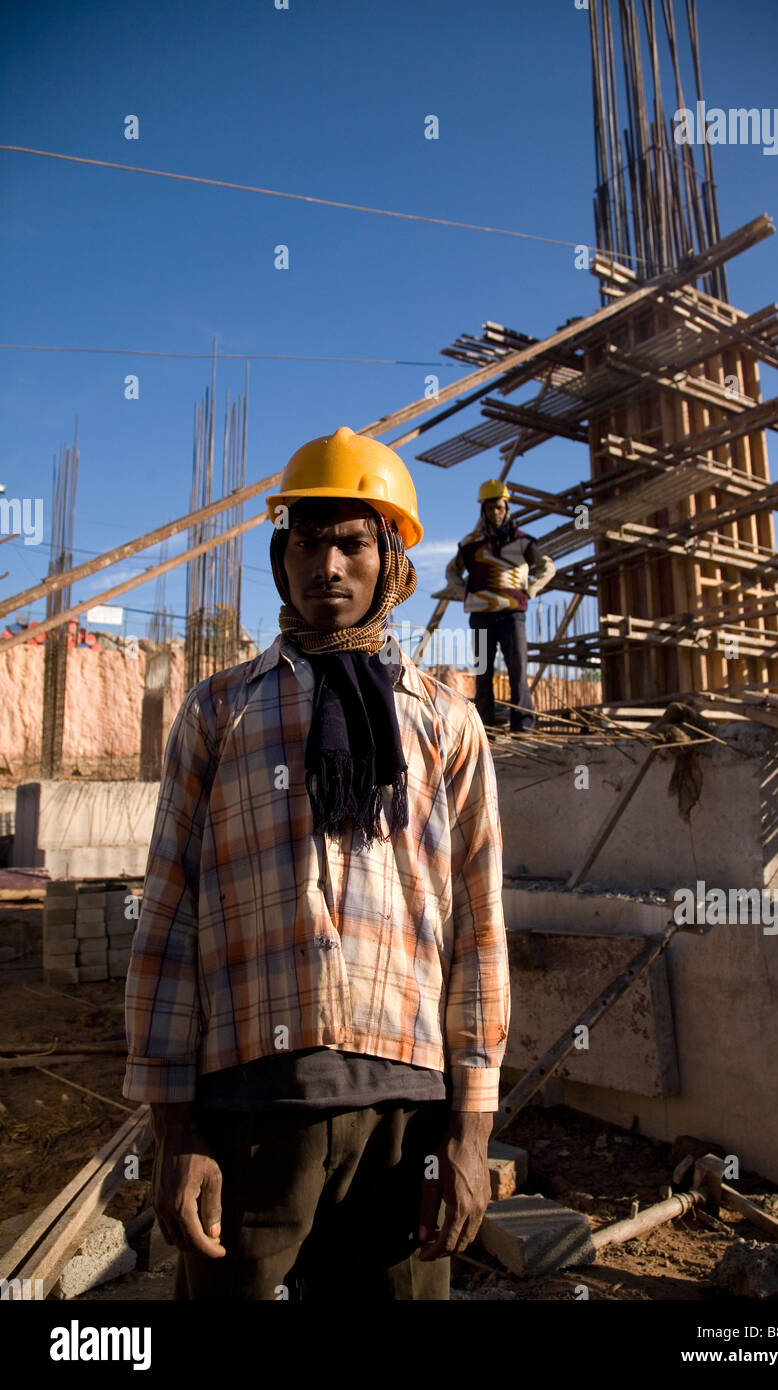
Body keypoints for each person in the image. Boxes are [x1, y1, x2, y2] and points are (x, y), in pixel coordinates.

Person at [123, 427, 510, 1302]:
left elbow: (479, 929)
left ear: (393, 564)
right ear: (279, 555)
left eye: (352, 541)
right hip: (251, 1111)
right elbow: (167, 919)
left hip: (405, 1121)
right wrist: (175, 1128)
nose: (326, 564)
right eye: (306, 539)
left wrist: (471, 1135)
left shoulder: (447, 724)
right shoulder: (219, 713)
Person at [439, 480, 555, 733]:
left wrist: (531, 589)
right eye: (490, 508)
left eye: (499, 507)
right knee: (483, 673)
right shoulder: (470, 544)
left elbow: (548, 567)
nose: (495, 512)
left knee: (518, 670)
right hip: (481, 616)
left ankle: (523, 729)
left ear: (507, 508)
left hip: (513, 615)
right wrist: (464, 592)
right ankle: (485, 730)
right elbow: (452, 571)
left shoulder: (523, 542)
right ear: (483, 510)